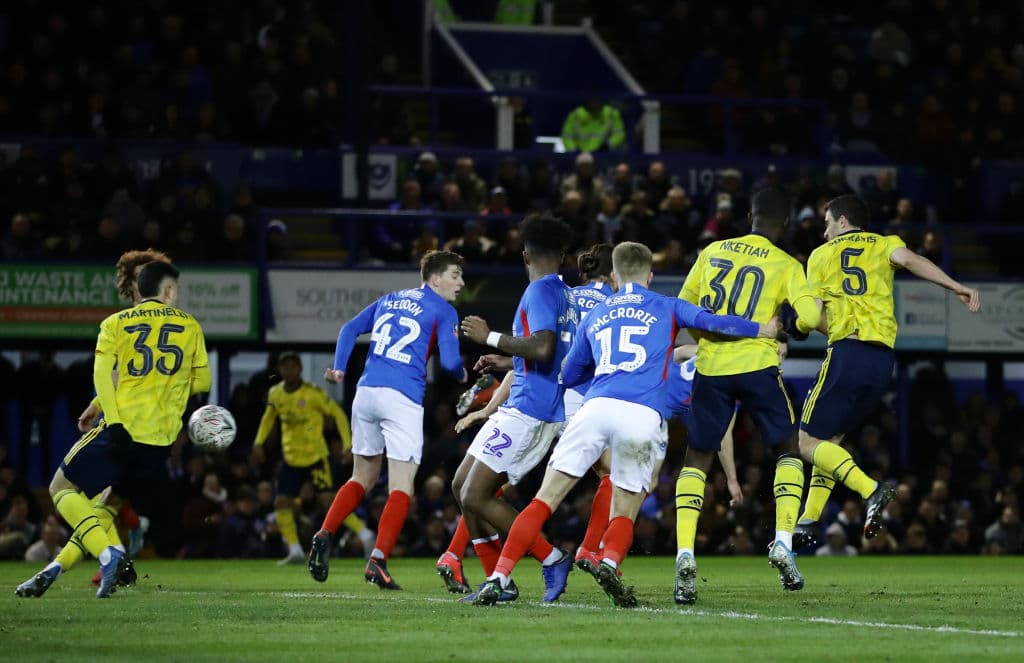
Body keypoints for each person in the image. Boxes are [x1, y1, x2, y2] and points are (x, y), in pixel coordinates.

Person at [471, 242, 774, 607]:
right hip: (642, 415)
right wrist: (763, 329)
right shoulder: (667, 305)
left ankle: (500, 575)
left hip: (595, 407)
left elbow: (569, 371)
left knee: (544, 499)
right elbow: (712, 322)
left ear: (614, 276)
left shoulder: (596, 314)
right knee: (626, 504)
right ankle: (610, 561)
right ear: (650, 275)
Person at [791, 194, 980, 548]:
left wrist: (797, 326)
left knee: (805, 442)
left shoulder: (820, 255)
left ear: (843, 221)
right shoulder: (884, 244)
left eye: (828, 222)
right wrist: (957, 286)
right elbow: (913, 260)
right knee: (830, 444)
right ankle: (808, 520)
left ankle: (872, 489)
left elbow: (811, 315)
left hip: (848, 351)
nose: (825, 230)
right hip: (882, 362)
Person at [22, 261, 210, 598]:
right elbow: (203, 381)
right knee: (104, 507)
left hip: (124, 428)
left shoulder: (115, 323)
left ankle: (110, 554)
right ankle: (58, 566)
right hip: (161, 442)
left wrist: (106, 411)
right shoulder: (190, 325)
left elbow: (103, 376)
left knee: (61, 487)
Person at [435, 243, 615, 594]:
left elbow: (547, 352)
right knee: (604, 476)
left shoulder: (566, 296)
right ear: (616, 275)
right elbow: (572, 355)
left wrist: (492, 397)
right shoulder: (612, 305)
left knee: (482, 487)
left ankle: (468, 559)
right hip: (575, 400)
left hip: (543, 397)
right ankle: (584, 552)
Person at [674, 187, 820, 605]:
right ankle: (782, 542)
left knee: (697, 458)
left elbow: (684, 310)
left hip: (711, 367)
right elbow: (808, 316)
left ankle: (685, 552)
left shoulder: (713, 251)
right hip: (757, 367)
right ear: (785, 223)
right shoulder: (787, 263)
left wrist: (710, 335)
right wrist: (797, 325)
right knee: (788, 449)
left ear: (750, 215)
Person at [308, 251, 467, 590]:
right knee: (401, 487)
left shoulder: (390, 299)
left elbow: (351, 328)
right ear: (434, 278)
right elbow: (452, 364)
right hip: (402, 397)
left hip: (365, 392)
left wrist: (339, 367)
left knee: (361, 477)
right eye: (455, 275)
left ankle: (325, 533)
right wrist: (463, 372)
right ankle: (377, 561)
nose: (461, 282)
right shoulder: (443, 309)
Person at [452, 213, 578, 604]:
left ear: (525, 256)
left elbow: (541, 346)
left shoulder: (540, 291)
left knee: (475, 495)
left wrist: (488, 338)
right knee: (461, 486)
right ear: (563, 254)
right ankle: (497, 578)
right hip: (527, 401)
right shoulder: (565, 294)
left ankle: (552, 557)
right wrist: (507, 362)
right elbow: (553, 353)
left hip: (532, 410)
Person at [251, 352, 371, 565]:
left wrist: (347, 444)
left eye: (293, 366)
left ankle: (364, 534)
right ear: (279, 370)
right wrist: (258, 443)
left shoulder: (313, 394)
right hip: (291, 458)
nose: (289, 370)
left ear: (300, 369)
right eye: (284, 366)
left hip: (316, 456)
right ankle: (295, 550)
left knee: (328, 501)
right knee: (281, 502)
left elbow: (337, 413)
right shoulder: (275, 394)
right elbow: (268, 419)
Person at [561, 98, 626, 152]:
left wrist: (608, 146)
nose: (595, 101)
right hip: (580, 155)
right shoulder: (576, 114)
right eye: (592, 99)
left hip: (605, 154)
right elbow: (567, 136)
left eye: (597, 98)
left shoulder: (611, 113)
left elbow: (619, 134)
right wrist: (574, 150)